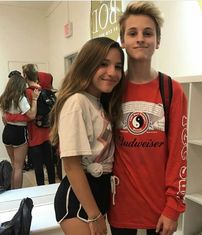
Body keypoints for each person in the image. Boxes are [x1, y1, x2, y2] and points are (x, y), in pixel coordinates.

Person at [108, 2, 188, 235]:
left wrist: (173, 207)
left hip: (159, 208)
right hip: (119, 207)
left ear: (158, 41)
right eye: (132, 33)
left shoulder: (171, 90)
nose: (140, 38)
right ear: (122, 40)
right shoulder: (112, 88)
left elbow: (178, 153)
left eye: (148, 33)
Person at [50, 37, 125, 235]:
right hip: (78, 198)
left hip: (98, 192)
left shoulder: (100, 102)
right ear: (87, 64)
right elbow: (71, 165)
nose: (112, 72)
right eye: (103, 64)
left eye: (118, 66)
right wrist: (94, 214)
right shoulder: (77, 102)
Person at [5, 65, 56, 186]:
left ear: (26, 76)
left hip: (33, 135)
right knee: (49, 163)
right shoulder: (47, 92)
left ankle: (40, 190)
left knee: (37, 166)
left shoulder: (27, 92)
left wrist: (9, 117)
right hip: (47, 133)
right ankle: (53, 187)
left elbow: (29, 116)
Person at [0, 71, 40, 189]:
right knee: (19, 167)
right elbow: (32, 115)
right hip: (18, 132)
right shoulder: (20, 98)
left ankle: (12, 190)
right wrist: (35, 100)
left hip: (7, 132)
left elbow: (4, 118)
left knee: (14, 165)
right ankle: (17, 193)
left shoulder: (4, 97)